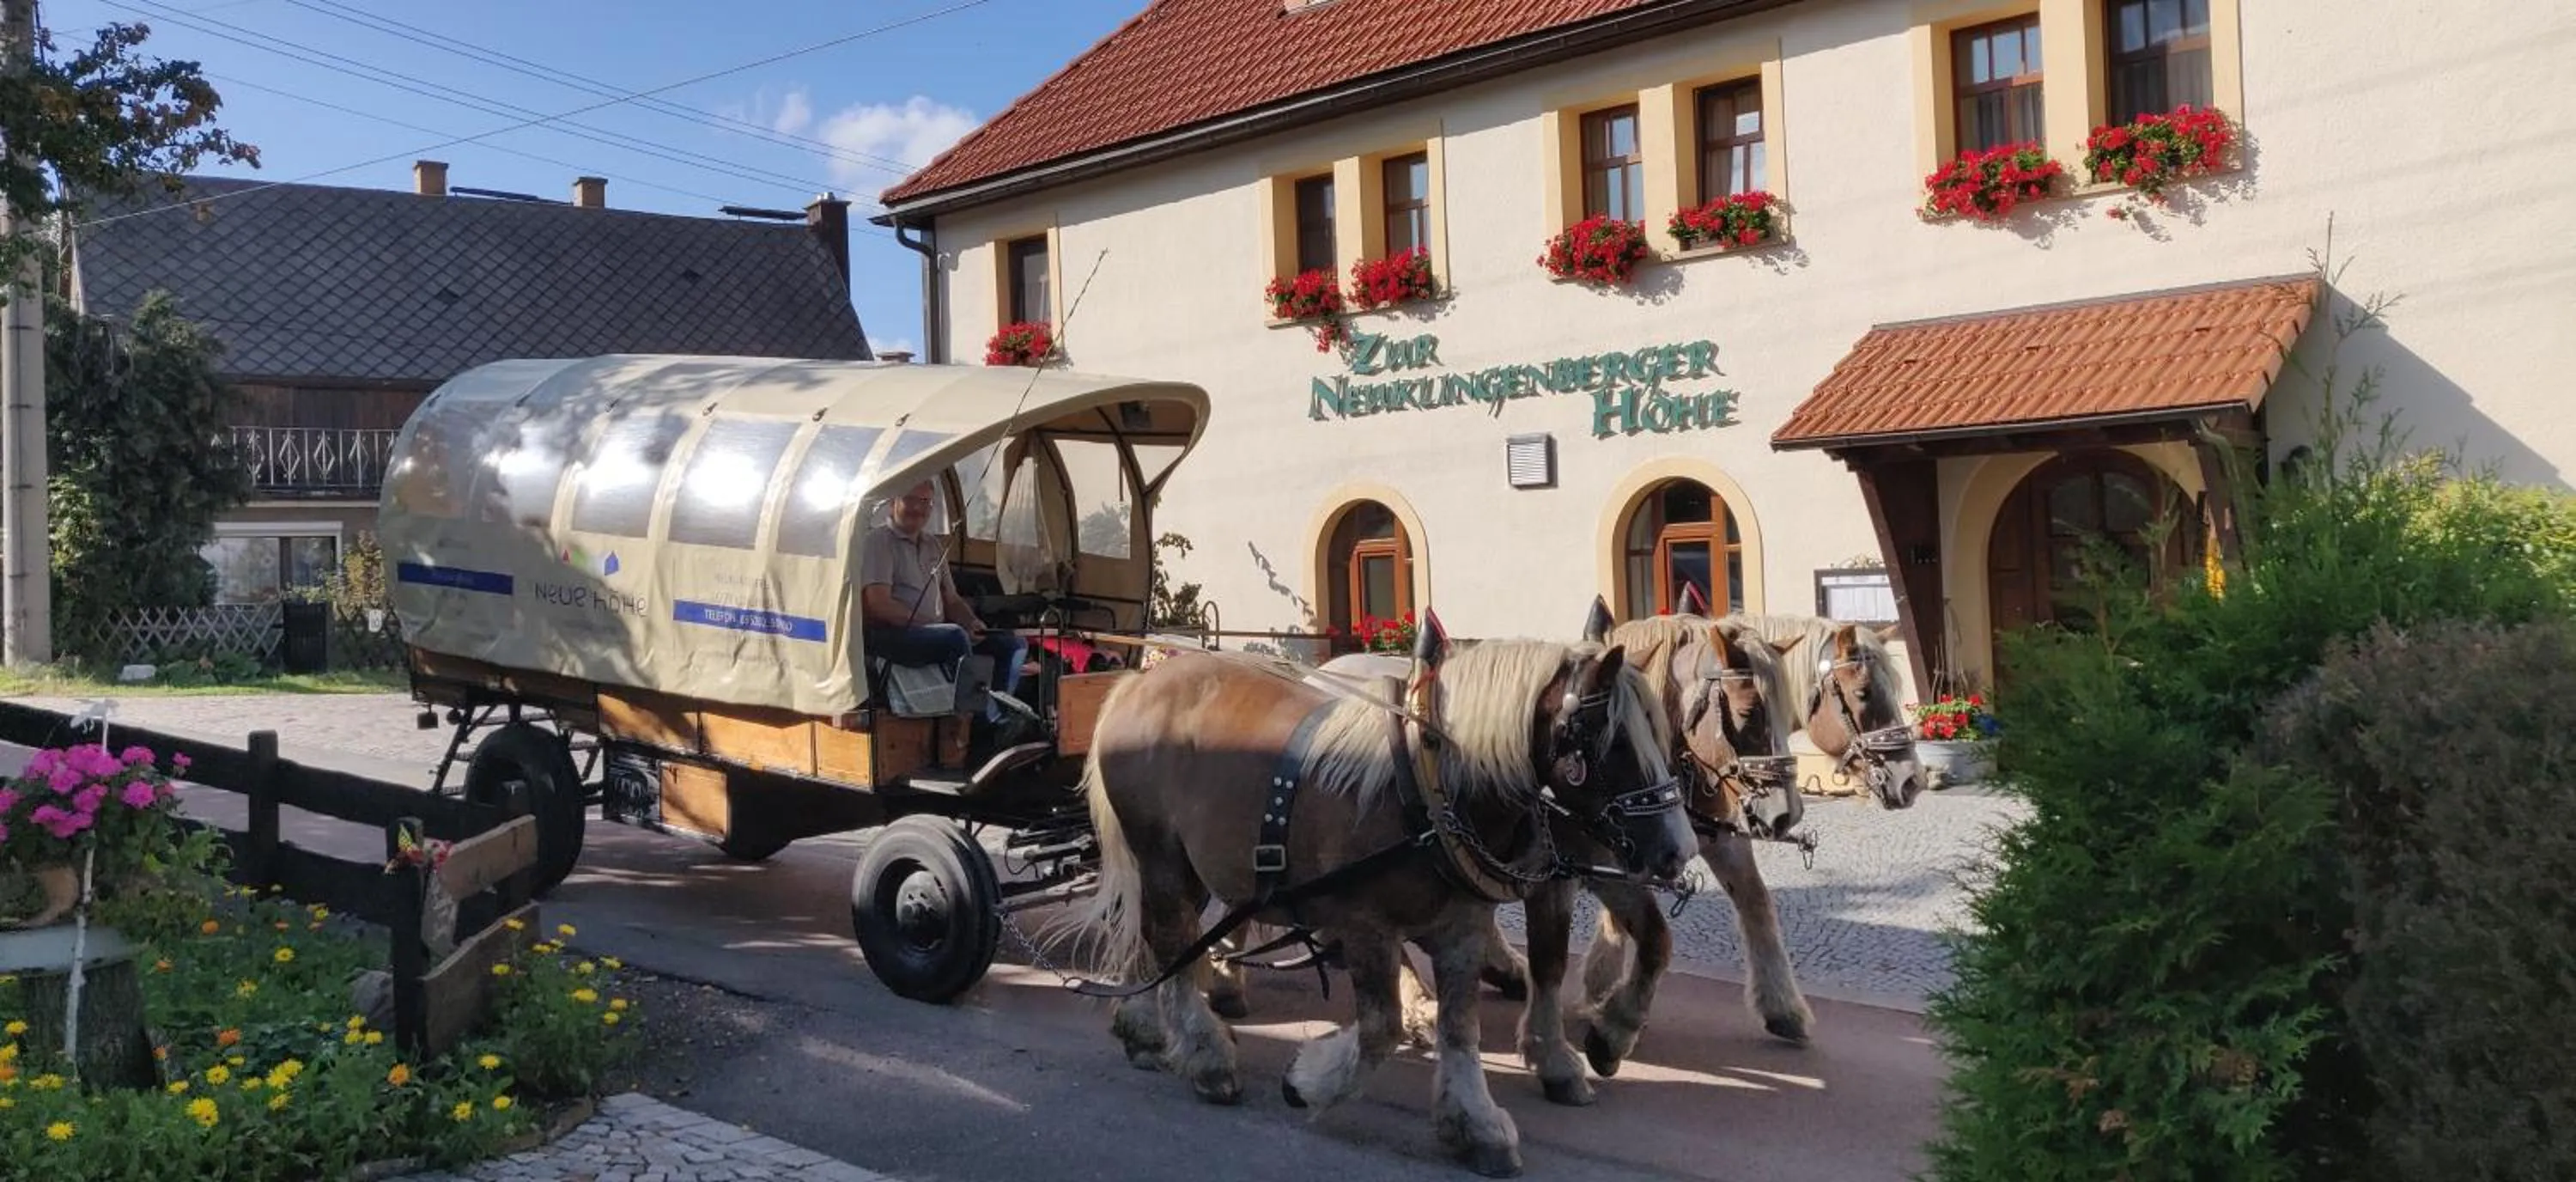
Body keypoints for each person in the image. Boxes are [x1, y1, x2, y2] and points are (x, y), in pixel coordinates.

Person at [860, 481, 1033, 741]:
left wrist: (972, 621)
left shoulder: (932, 545)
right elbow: (878, 604)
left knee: (1011, 643)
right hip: (891, 635)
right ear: (894, 501)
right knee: (954, 637)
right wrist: (929, 625)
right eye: (911, 500)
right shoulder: (878, 542)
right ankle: (986, 725)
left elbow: (951, 599)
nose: (918, 508)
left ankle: (1004, 712)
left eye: (925, 502)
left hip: (932, 633)